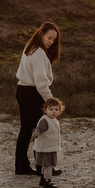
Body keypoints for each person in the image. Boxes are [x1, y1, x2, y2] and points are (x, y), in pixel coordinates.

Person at [15, 21, 62, 176]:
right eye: (49, 37)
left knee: (27, 129)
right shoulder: (39, 53)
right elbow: (41, 83)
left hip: (23, 90)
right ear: (41, 34)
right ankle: (43, 167)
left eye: (54, 40)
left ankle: (22, 166)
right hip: (32, 93)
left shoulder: (30, 48)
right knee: (41, 129)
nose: (51, 41)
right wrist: (51, 101)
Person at [32, 97, 64, 188]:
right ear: (45, 110)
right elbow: (39, 129)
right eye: (51, 109)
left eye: (56, 110)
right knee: (49, 165)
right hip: (47, 148)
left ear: (59, 111)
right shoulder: (45, 120)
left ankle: (42, 180)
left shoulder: (53, 120)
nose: (53, 112)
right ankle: (47, 182)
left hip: (47, 147)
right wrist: (36, 134)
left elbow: (50, 130)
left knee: (45, 165)